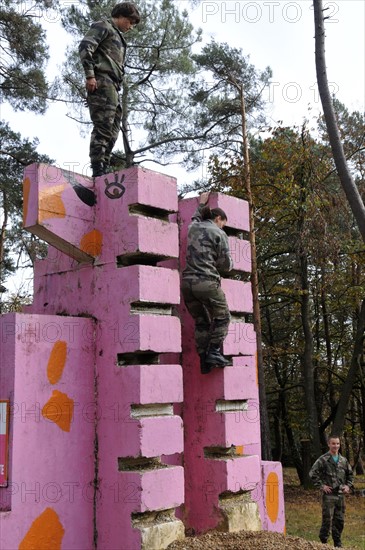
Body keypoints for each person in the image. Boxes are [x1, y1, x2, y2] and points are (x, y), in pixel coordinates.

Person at [79, 2, 140, 178]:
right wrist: (90, 75)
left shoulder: (117, 35)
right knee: (103, 126)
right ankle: (97, 168)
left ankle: (103, 166)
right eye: (130, 22)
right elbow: (85, 46)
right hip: (102, 81)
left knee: (113, 129)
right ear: (120, 16)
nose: (131, 26)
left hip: (113, 85)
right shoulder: (103, 26)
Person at [181, 192, 233, 375]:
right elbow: (226, 265)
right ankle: (214, 352)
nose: (222, 227)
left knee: (201, 321)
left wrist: (201, 203)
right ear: (219, 218)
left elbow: (195, 216)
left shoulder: (193, 227)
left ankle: (203, 360)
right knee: (223, 316)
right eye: (223, 223)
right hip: (207, 282)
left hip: (187, 284)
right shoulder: (219, 233)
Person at [309, 434, 354, 547]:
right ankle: (323, 542)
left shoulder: (343, 460)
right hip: (329, 495)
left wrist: (348, 486)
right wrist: (322, 486)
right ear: (329, 444)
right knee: (327, 520)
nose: (335, 446)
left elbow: (350, 475)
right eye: (333, 443)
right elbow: (312, 473)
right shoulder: (323, 459)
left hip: (340, 495)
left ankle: (337, 543)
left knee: (339, 520)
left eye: (337, 443)